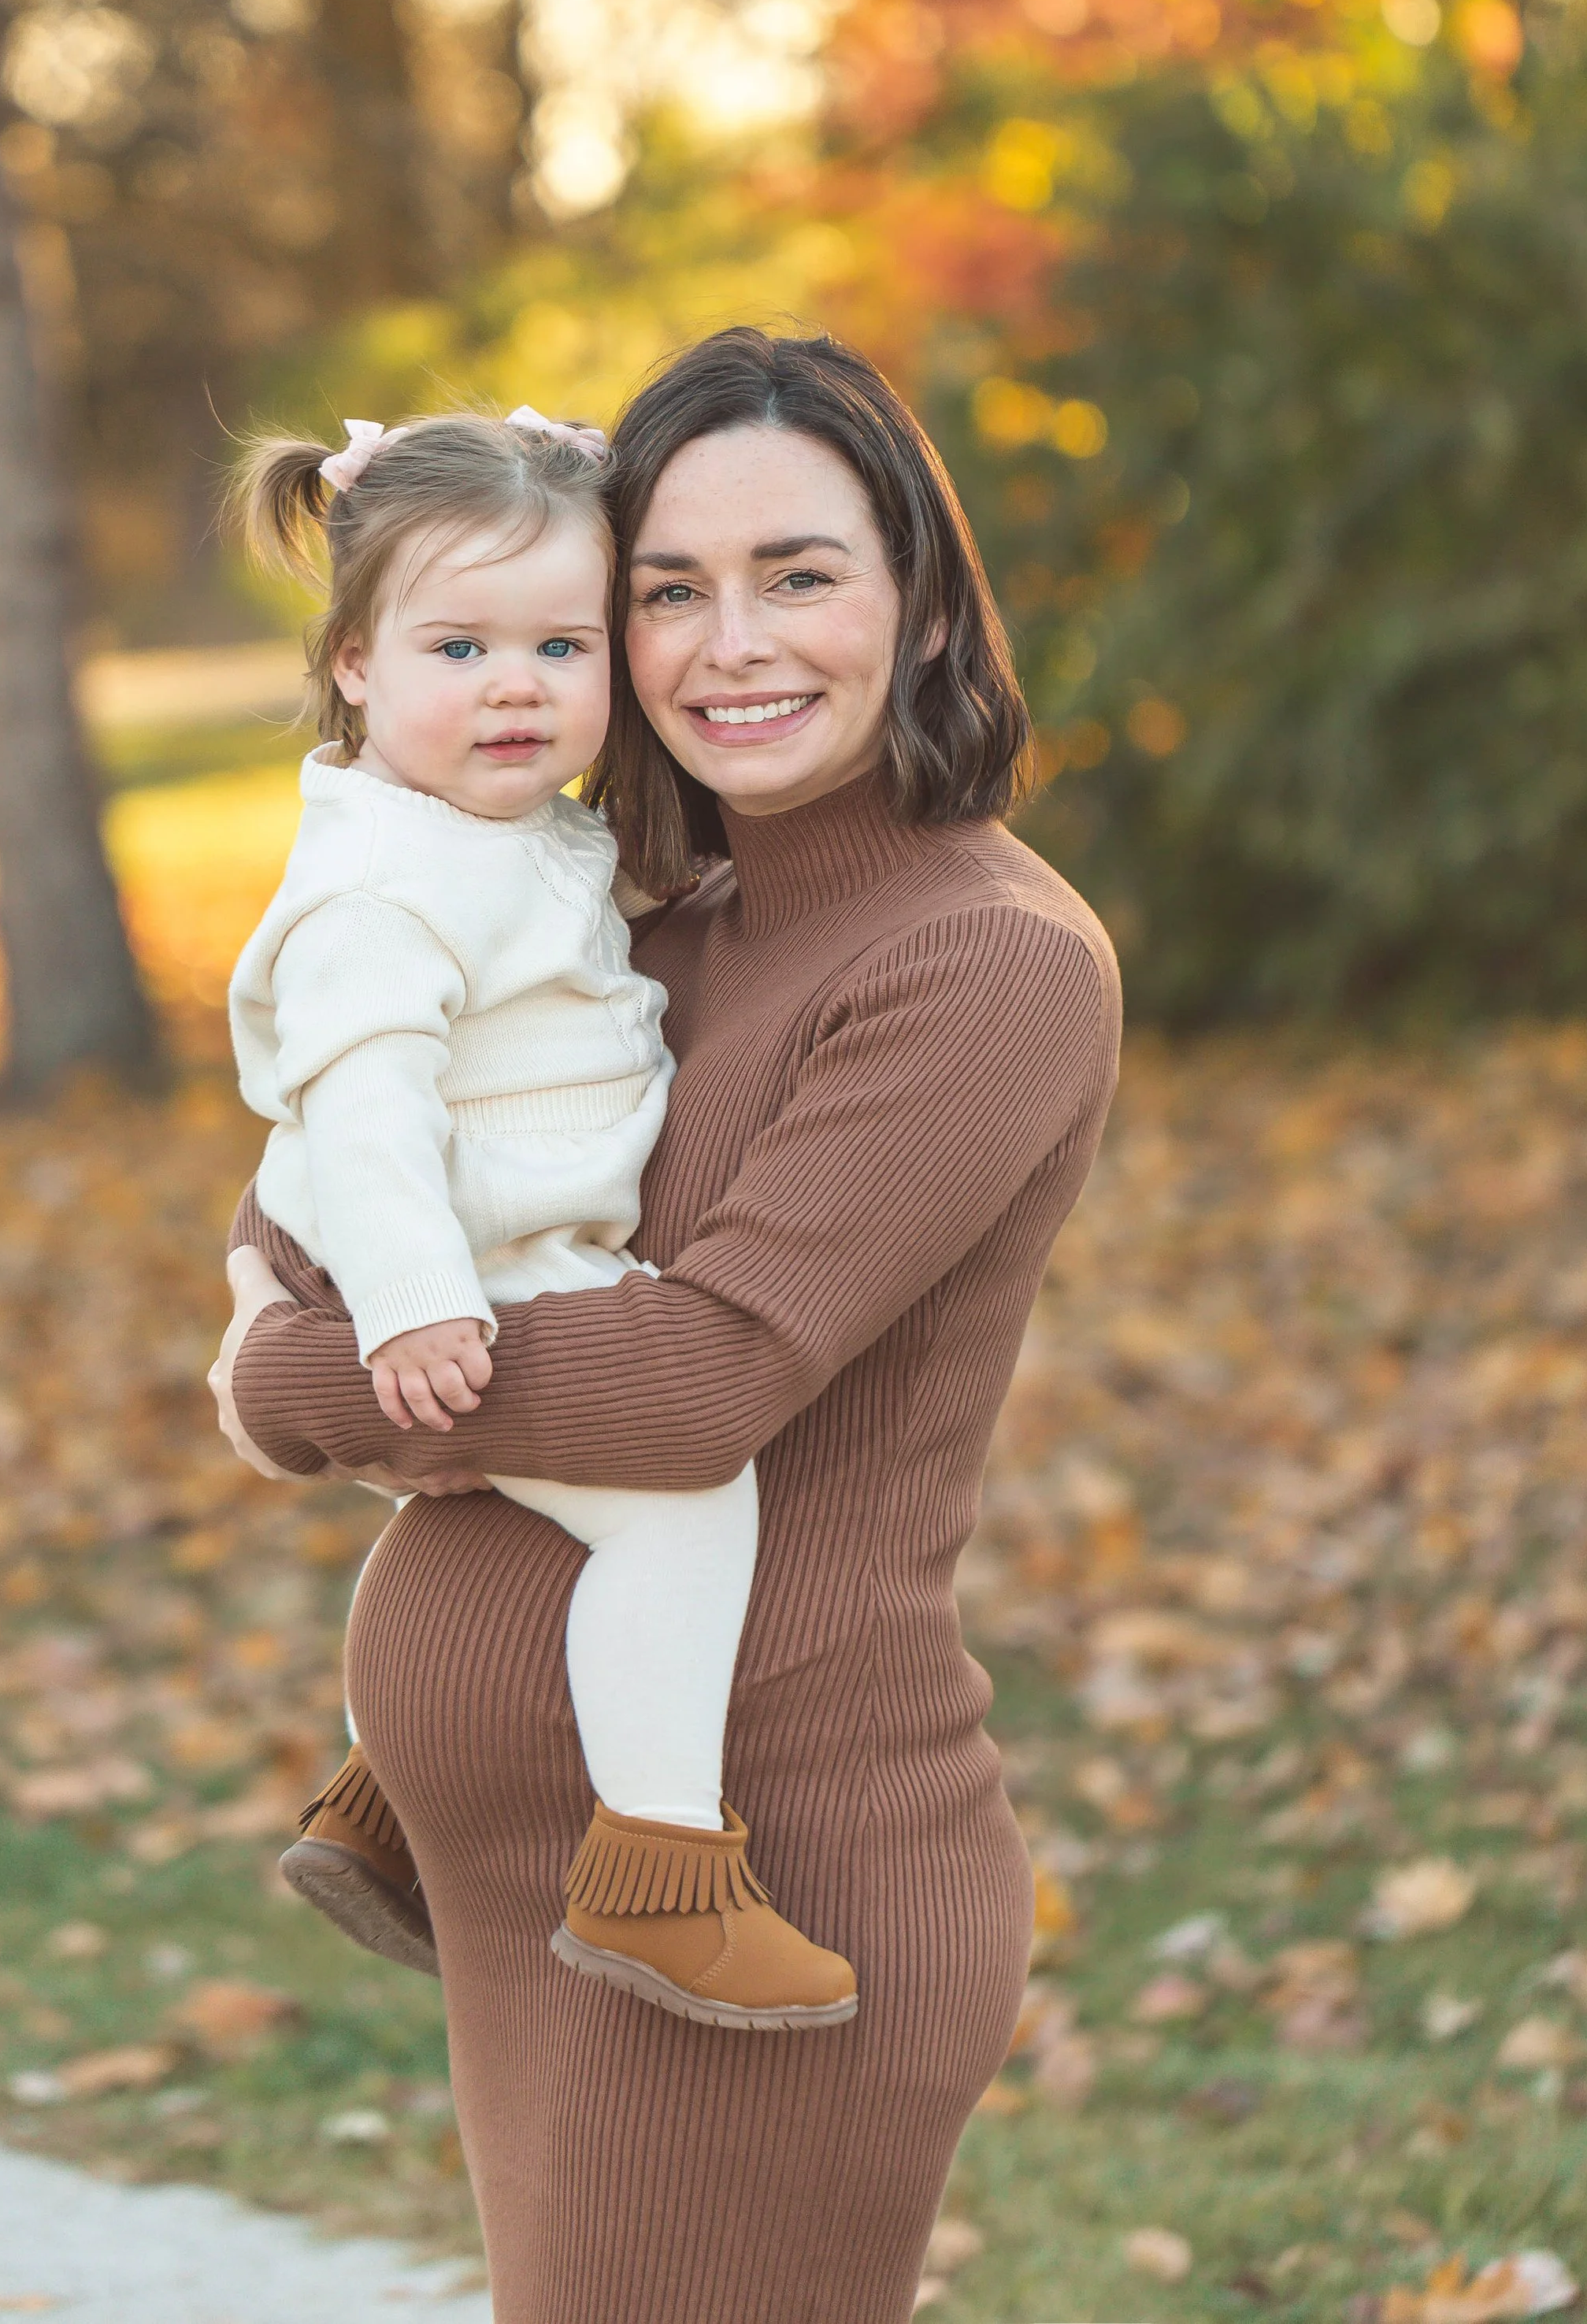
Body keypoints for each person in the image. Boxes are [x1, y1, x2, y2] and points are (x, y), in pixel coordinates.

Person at [214, 328, 1120, 2324]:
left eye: (796, 574)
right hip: (529, 1892)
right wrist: (310, 1346)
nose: (732, 643)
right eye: (665, 589)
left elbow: (697, 1381)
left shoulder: (981, 962)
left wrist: (299, 1375)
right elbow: (318, 1194)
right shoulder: (640, 912)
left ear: (917, 596)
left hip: (775, 1874)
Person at [224, 402, 855, 2028]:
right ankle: (660, 1873)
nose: (515, 685)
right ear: (353, 663)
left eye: (559, 645)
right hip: (470, 1263)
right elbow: (364, 1108)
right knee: (684, 1506)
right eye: (457, 646)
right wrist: (416, 1301)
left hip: (499, 1245)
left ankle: (379, 1800)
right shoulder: (382, 889)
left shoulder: (500, 828)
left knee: (469, 1515)